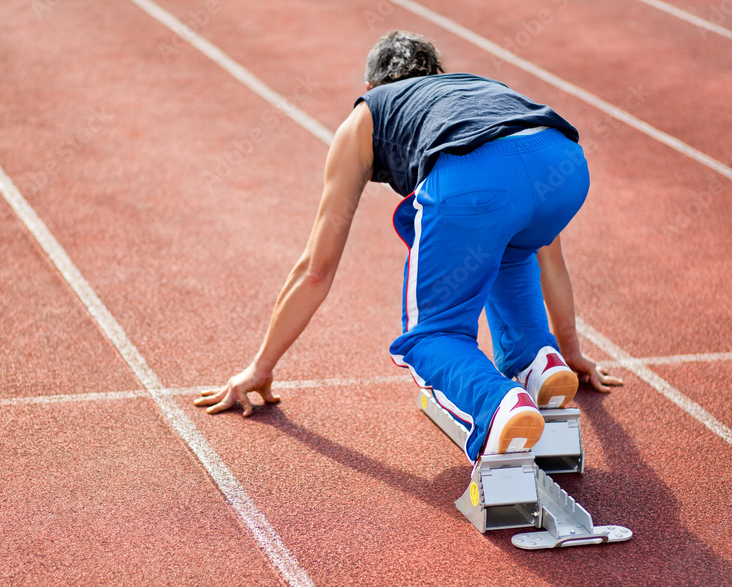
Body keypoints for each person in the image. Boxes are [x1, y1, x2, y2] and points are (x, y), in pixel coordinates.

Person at [195, 30, 622, 462]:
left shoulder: (367, 113)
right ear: (439, 73)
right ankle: (538, 360)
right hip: (562, 161)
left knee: (431, 336)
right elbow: (552, 260)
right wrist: (571, 352)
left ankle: (498, 402)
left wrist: (260, 367)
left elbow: (315, 270)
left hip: (472, 180)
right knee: (513, 247)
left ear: (369, 88)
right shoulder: (480, 90)